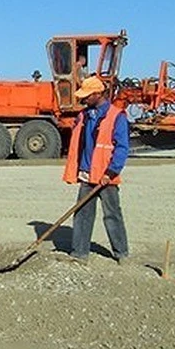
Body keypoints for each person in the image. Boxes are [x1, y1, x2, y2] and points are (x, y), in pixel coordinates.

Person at [62, 76, 130, 262]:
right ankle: (80, 253)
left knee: (112, 215)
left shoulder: (117, 116)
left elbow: (122, 148)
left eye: (87, 95)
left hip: (106, 176)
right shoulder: (84, 116)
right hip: (86, 173)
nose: (84, 99)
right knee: (83, 213)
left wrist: (111, 172)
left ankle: (121, 252)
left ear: (98, 94)